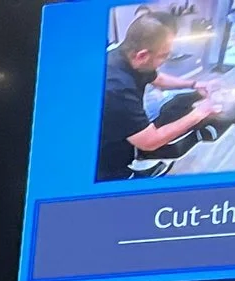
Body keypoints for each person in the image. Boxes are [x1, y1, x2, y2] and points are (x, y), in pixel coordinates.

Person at [96, 9, 224, 183]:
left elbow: (157, 78)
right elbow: (149, 141)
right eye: (164, 55)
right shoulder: (117, 88)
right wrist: (201, 112)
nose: (166, 58)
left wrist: (194, 84)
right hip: (102, 157)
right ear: (142, 55)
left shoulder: (127, 55)